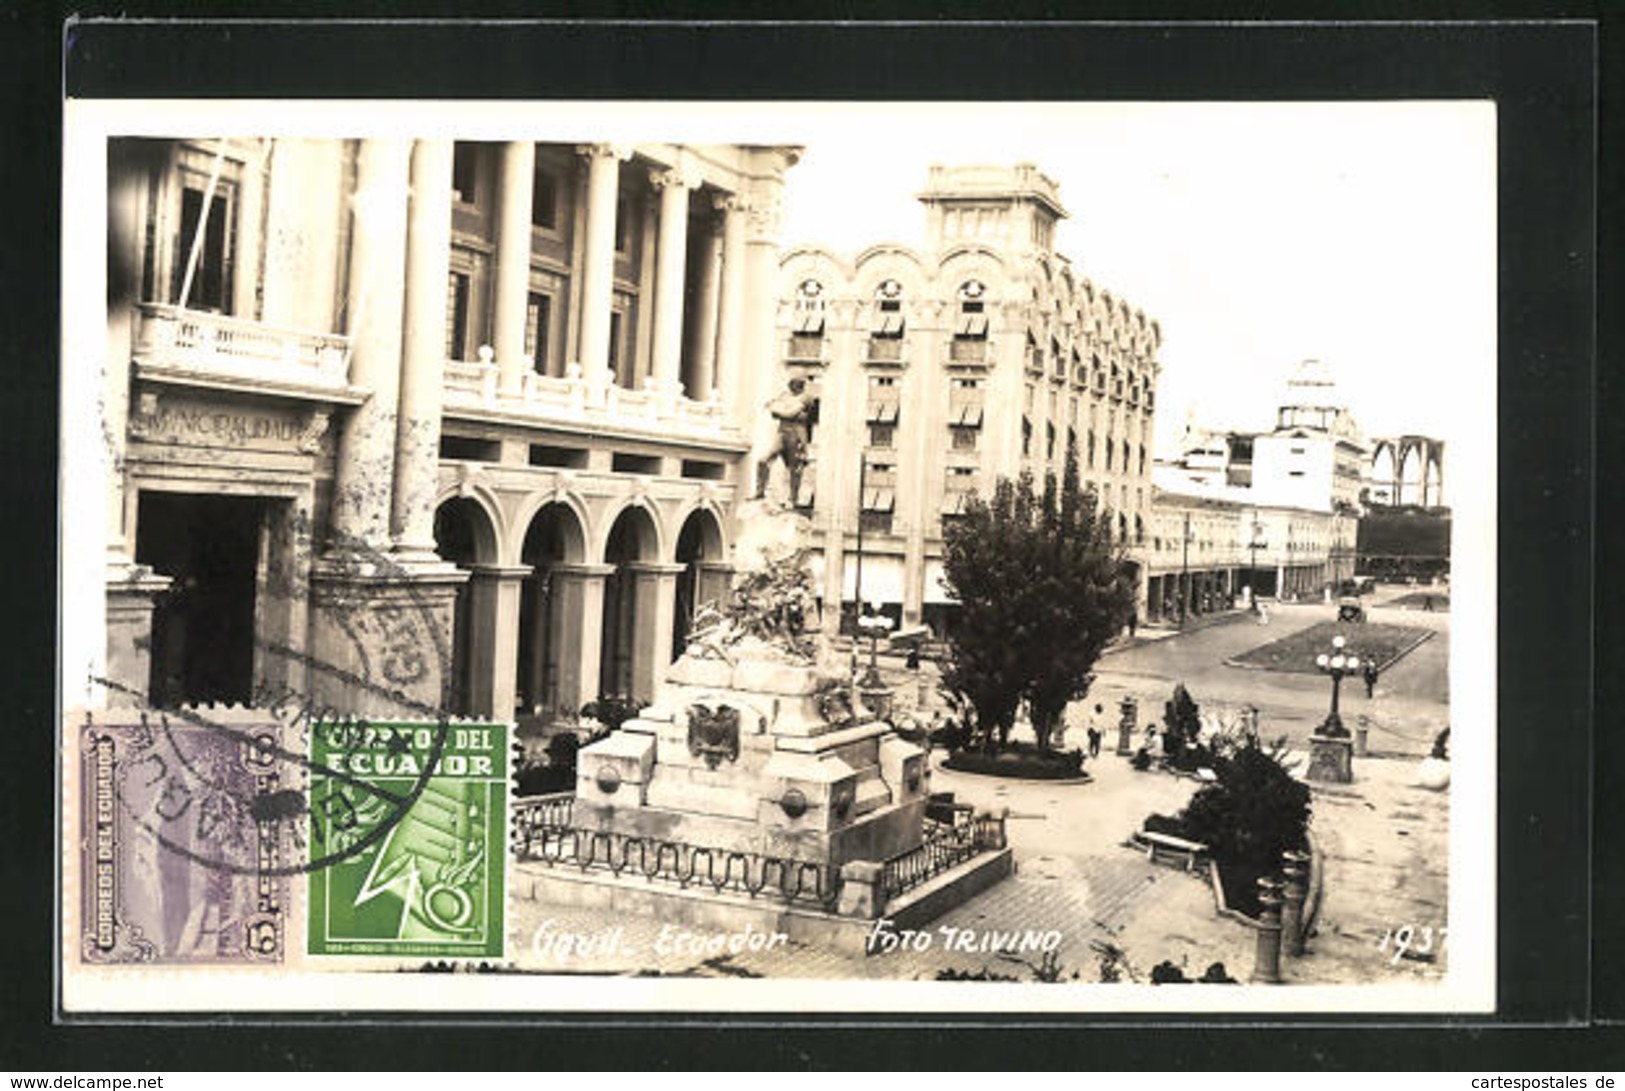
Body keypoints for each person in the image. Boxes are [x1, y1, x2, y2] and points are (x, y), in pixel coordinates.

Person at [754, 377, 818, 502]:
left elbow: (790, 413)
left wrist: (779, 410)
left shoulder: (806, 397)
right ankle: (760, 491)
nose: (792, 387)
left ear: (801, 385)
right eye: (791, 384)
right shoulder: (784, 395)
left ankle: (792, 499)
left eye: (796, 384)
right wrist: (780, 411)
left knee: (794, 468)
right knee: (763, 460)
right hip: (782, 432)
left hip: (797, 434)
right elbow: (774, 413)